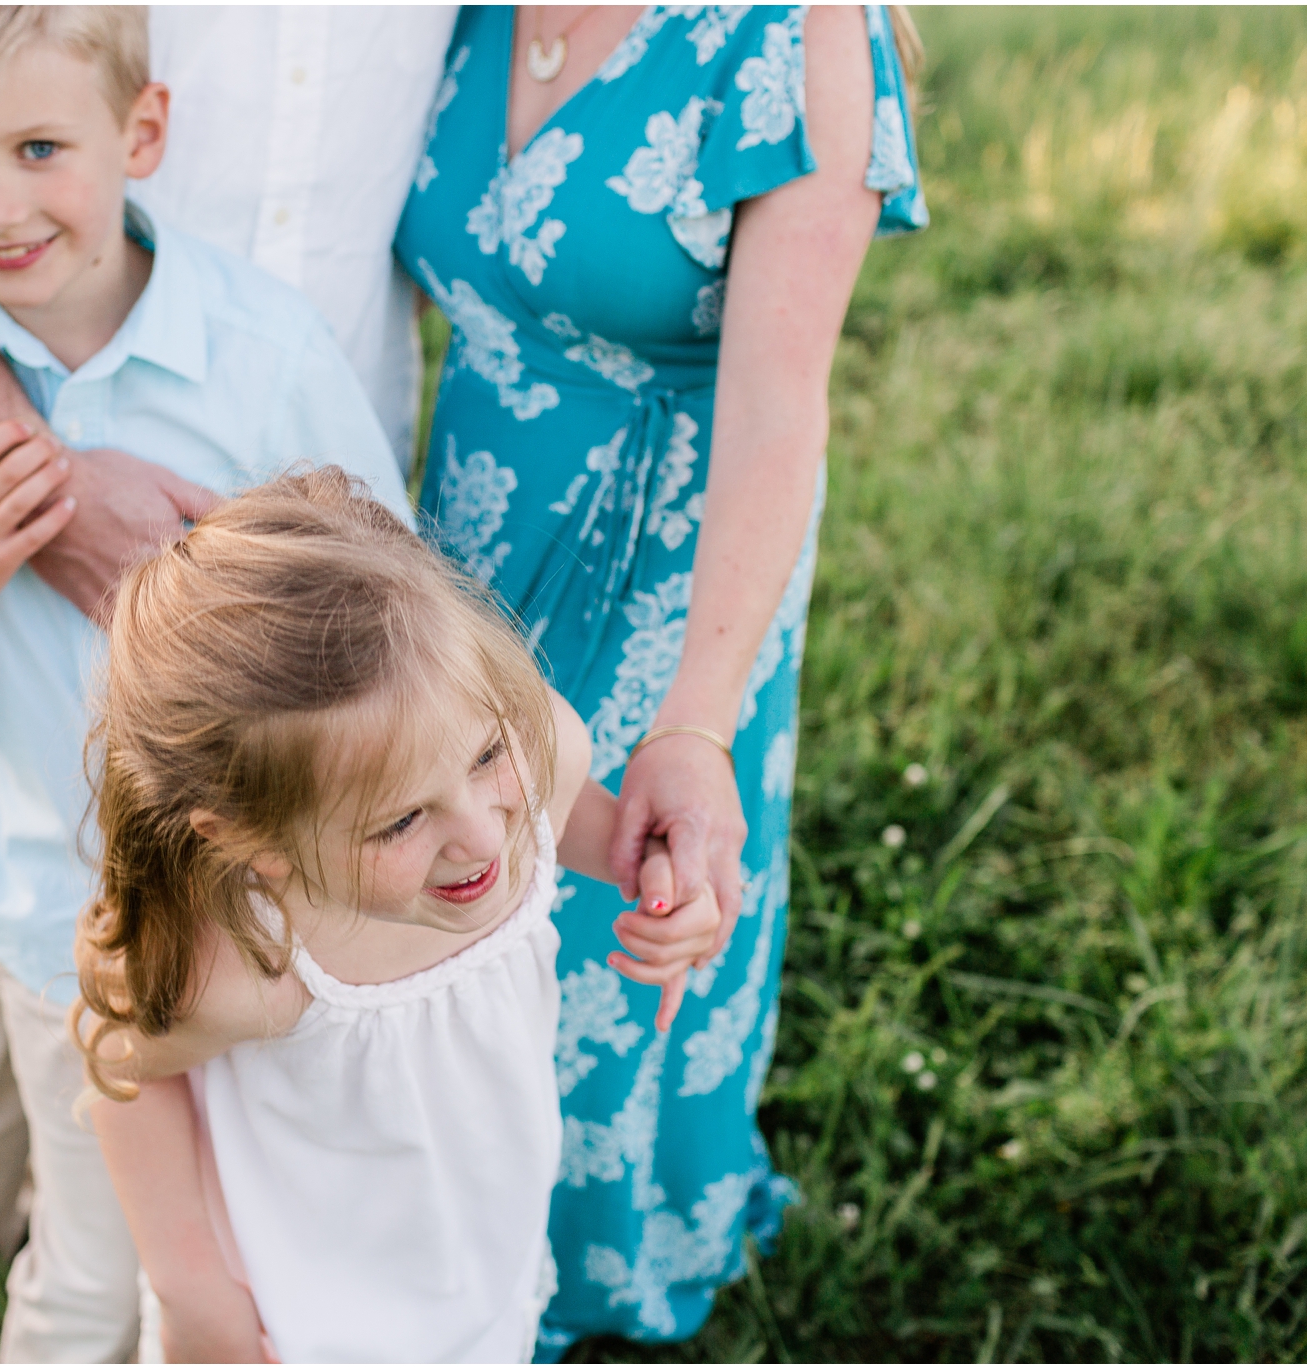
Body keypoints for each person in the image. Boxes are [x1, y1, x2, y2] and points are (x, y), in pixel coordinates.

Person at [0, 5, 454, 1358]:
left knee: (236, 1255)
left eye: (36, 150)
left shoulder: (270, 352)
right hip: (53, 916)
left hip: (254, 902)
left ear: (142, 134)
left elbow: (386, 615)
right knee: (90, 1265)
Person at [393, 4, 928, 1355]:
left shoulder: (790, 38)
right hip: (468, 558)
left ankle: (597, 1264)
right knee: (433, 898)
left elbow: (775, 410)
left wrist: (698, 720)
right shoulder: (465, 14)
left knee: (609, 941)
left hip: (670, 593)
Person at [74, 470, 725, 1363]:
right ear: (260, 844)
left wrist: (647, 868)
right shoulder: (251, 968)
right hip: (307, 1318)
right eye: (401, 820)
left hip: (473, 1263)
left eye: (489, 751)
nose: (479, 834)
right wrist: (197, 1296)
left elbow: (563, 809)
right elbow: (126, 1071)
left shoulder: (537, 755)